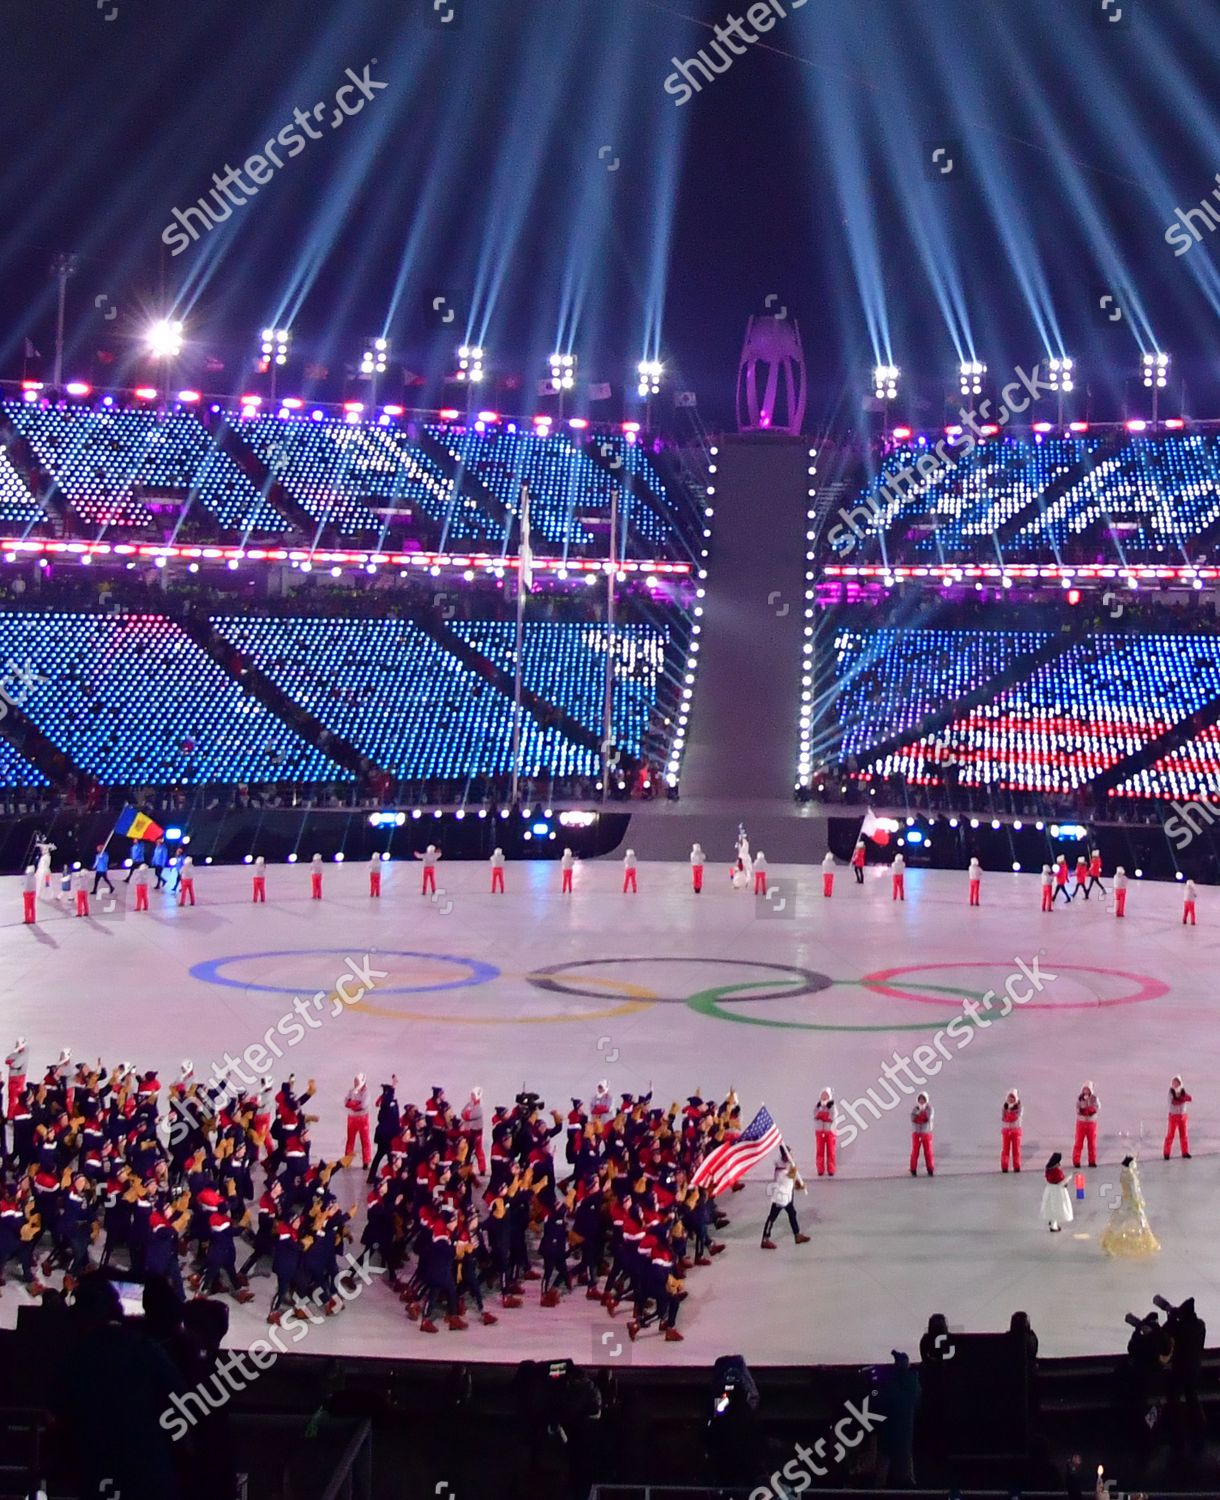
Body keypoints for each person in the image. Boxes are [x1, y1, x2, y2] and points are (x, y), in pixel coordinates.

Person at [1101, 1156, 1160, 1256]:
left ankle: (1108, 1243)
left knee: (1118, 1222)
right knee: (1142, 1222)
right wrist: (1138, 1201)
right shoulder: (1131, 1176)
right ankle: (1150, 1243)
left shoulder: (1123, 1174)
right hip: (1132, 1203)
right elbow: (1134, 1191)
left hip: (1124, 1201)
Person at [760, 1146, 810, 1248]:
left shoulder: (788, 1165)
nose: (792, 1155)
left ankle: (797, 1235)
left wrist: (798, 1185)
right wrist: (794, 1172)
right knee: (772, 1217)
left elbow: (791, 1181)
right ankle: (765, 1239)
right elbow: (786, 1178)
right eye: (789, 1153)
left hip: (788, 1196)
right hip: (780, 1197)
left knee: (792, 1213)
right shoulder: (780, 1168)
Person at [343, 1074, 371, 1171]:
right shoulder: (351, 1091)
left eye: (357, 1081)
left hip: (363, 1118)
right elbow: (346, 1102)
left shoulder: (366, 1092)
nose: (355, 1083)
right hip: (352, 1118)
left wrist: (352, 1104)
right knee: (350, 1139)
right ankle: (346, 1160)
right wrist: (354, 1104)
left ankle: (366, 1161)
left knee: (365, 1140)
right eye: (354, 1081)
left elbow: (363, 1105)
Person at [1041, 1152, 1072, 1232]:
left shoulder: (1048, 1169)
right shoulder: (1057, 1171)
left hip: (1049, 1190)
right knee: (1057, 1208)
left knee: (1051, 1206)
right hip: (1058, 1192)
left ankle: (1051, 1220)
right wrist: (1068, 1178)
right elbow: (1061, 1182)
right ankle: (1054, 1226)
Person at [1072, 1081, 1099, 1168]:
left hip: (1091, 1123)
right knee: (1079, 1142)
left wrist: (1091, 1110)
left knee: (1092, 1143)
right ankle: (1076, 1161)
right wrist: (1082, 1111)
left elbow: (1097, 1106)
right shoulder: (1080, 1099)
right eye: (1084, 1089)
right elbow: (1077, 1108)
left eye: (1087, 1089)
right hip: (1081, 1123)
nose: (1086, 1091)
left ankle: (1092, 1161)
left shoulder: (1094, 1098)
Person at [1164, 1076, 1191, 1159]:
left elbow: (1189, 1098)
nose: (1175, 1084)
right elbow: (1174, 1102)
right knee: (1170, 1135)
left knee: (1184, 1135)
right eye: (1174, 1083)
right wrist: (1182, 1099)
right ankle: (1166, 1153)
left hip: (1182, 1116)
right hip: (1173, 1116)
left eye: (1177, 1083)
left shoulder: (1183, 1091)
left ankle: (1185, 1152)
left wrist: (1182, 1098)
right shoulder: (1171, 1092)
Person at [909, 1092, 934, 1176]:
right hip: (916, 1133)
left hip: (926, 1133)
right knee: (915, 1151)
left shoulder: (929, 1108)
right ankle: (913, 1169)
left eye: (923, 1099)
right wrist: (918, 1114)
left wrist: (920, 1116)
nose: (921, 1101)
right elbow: (912, 1118)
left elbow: (928, 1118)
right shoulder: (915, 1108)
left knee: (928, 1152)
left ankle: (930, 1169)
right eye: (920, 1099)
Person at [814, 1088, 837, 1176]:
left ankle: (831, 1169)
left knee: (831, 1151)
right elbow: (815, 1115)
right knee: (820, 1151)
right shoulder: (818, 1106)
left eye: (826, 1095)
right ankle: (820, 1169)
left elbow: (832, 1117)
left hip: (830, 1131)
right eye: (823, 1095)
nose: (824, 1097)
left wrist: (822, 1116)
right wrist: (823, 1116)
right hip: (819, 1131)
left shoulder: (832, 1106)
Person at [1001, 1088, 1023, 1173]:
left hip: (1016, 1131)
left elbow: (1016, 1117)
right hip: (1006, 1131)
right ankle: (1004, 1166)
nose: (1011, 1099)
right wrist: (1008, 1114)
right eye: (1010, 1097)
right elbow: (1003, 1118)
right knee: (1005, 1149)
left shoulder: (1019, 1107)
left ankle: (1016, 1166)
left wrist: (1010, 1113)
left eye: (1013, 1097)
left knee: (1016, 1150)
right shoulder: (1005, 1106)